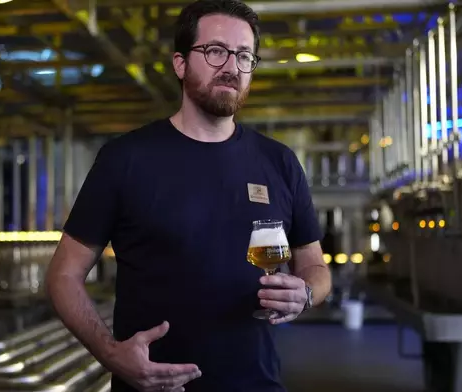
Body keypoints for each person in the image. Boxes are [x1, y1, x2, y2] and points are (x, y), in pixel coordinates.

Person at [46, 0, 332, 391]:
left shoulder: (279, 162)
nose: (231, 67)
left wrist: (306, 294)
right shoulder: (126, 160)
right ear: (180, 63)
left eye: (244, 56)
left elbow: (315, 267)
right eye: (215, 51)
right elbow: (63, 275)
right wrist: (110, 353)